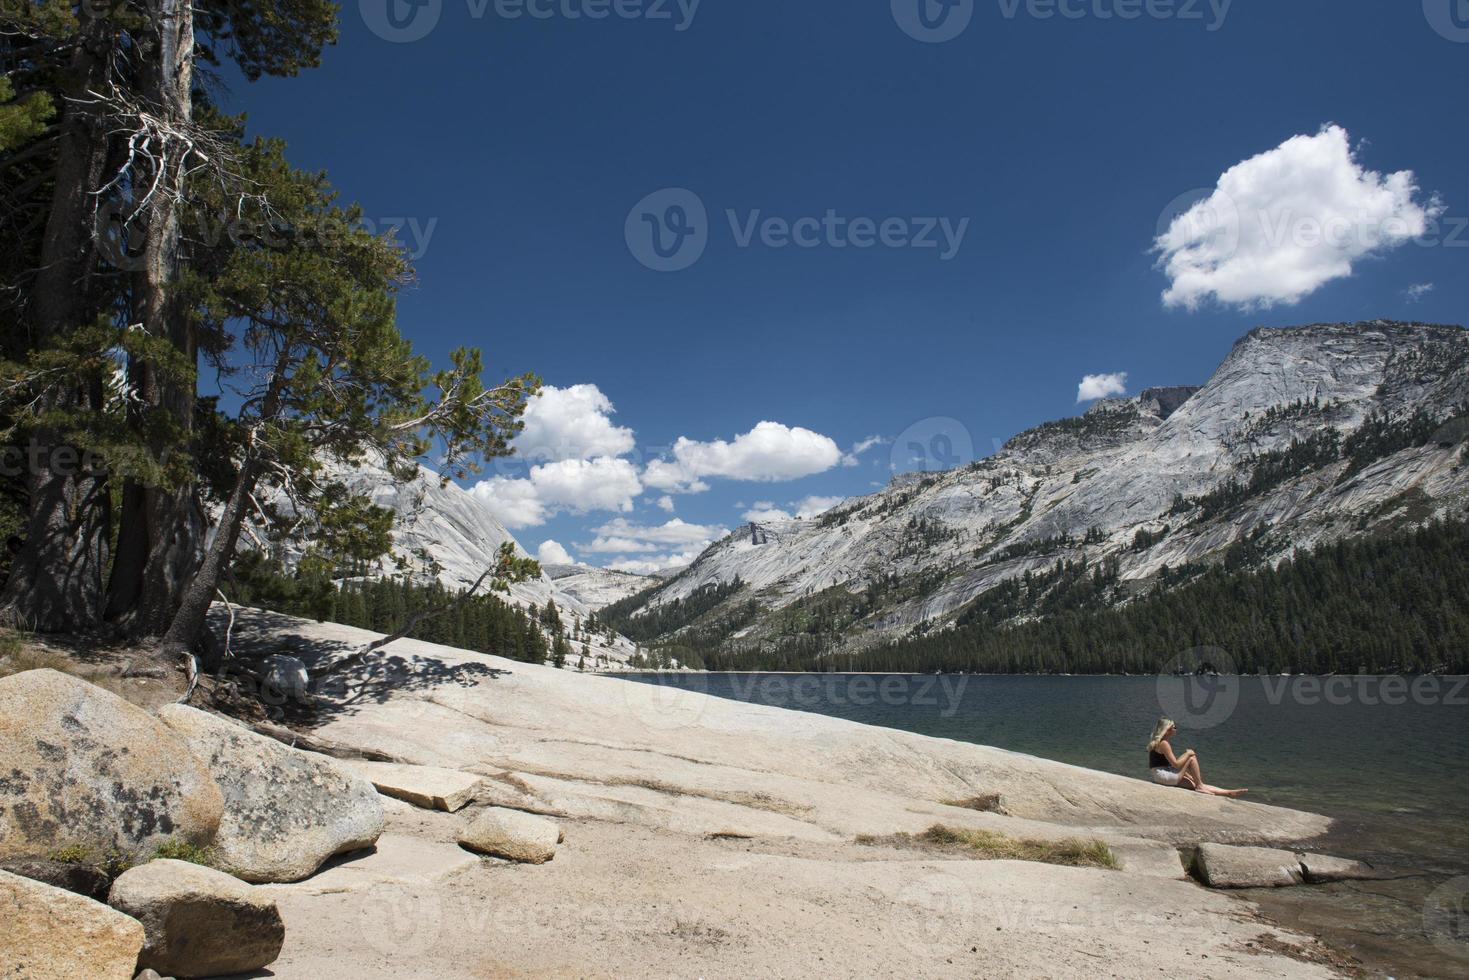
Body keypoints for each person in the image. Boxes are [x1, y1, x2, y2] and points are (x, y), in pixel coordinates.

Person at [1146, 718, 1247, 797]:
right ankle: (1200, 786)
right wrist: (1188, 754)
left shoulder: (1159, 742)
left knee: (1193, 783)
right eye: (1174, 727)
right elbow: (1176, 765)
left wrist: (1187, 774)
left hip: (1161, 776)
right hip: (1165, 777)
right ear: (1167, 730)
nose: (1176, 729)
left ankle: (1228, 792)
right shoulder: (1164, 743)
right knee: (1191, 757)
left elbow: (1168, 765)